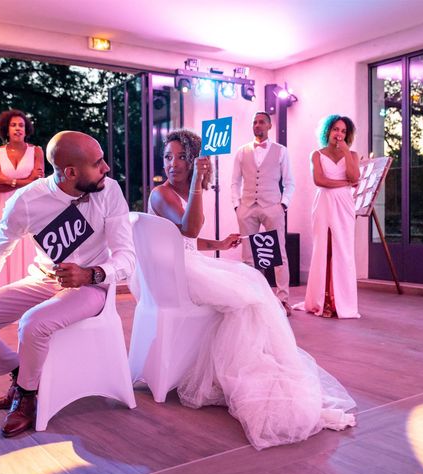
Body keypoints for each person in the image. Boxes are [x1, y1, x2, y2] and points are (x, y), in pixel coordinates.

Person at [148, 129, 356, 450]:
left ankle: (265, 368)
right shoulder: (161, 194)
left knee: (253, 284)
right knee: (251, 293)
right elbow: (189, 227)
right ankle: (248, 375)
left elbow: (184, 238)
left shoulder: (183, 195)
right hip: (176, 274)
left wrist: (217, 244)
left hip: (183, 265)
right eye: (168, 157)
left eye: (180, 157)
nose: (172, 163)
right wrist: (196, 187)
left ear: (193, 161)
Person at [0, 131, 135, 438]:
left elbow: (127, 257)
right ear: (71, 172)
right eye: (98, 163)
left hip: (91, 287)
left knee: (33, 323)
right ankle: (21, 372)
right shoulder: (27, 200)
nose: (106, 168)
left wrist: (92, 274)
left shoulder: (109, 191)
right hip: (43, 279)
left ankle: (26, 397)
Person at [296, 115, 361, 318]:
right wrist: (344, 184)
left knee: (343, 250)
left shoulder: (353, 154)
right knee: (324, 249)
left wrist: (346, 153)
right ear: (327, 132)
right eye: (335, 129)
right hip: (324, 202)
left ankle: (340, 302)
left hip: (344, 204)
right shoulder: (316, 154)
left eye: (343, 131)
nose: (339, 134)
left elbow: (354, 177)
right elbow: (320, 180)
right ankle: (322, 300)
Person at [231, 112, 295, 315]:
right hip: (247, 207)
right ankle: (252, 300)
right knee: (248, 257)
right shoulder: (242, 152)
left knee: (278, 255)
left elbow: (289, 182)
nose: (257, 125)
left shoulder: (281, 151)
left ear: (269, 126)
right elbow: (234, 182)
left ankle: (283, 300)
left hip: (272, 207)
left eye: (261, 122)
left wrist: (283, 205)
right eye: (254, 122)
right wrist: (237, 206)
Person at [0, 109, 44, 288]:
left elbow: (38, 183)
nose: (18, 128)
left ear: (26, 130)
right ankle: (0, 290)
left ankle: (26, 289)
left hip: (28, 204)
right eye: (13, 125)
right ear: (6, 129)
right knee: (3, 245)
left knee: (26, 245)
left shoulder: (37, 151)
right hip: (2, 204)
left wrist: (8, 180)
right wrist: (25, 181)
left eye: (21, 125)